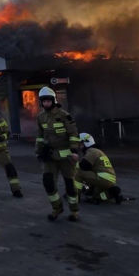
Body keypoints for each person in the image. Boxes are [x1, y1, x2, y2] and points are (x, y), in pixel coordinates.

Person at [35, 86, 82, 221]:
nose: (46, 104)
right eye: (44, 101)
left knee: (70, 185)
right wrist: (38, 151)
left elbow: (73, 134)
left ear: (53, 101)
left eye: (48, 101)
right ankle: (57, 208)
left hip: (66, 157)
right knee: (48, 182)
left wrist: (74, 150)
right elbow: (39, 136)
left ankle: (74, 211)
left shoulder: (64, 115)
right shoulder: (41, 117)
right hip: (49, 156)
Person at [75, 132, 123, 204]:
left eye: (80, 144)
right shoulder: (99, 151)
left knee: (77, 170)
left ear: (86, 142)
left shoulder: (92, 151)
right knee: (96, 196)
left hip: (101, 178)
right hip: (110, 180)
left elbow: (84, 166)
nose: (79, 146)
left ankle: (75, 196)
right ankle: (111, 193)